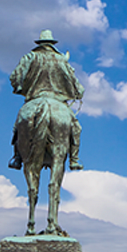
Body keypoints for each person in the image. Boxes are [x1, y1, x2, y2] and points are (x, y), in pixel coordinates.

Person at [9, 30, 84, 171]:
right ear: (52, 44)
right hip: (57, 101)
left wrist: (20, 87)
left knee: (18, 126)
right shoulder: (61, 59)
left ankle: (17, 157)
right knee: (76, 128)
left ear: (39, 44)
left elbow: (15, 77)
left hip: (34, 99)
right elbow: (76, 84)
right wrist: (78, 92)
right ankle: (74, 159)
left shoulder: (29, 57)